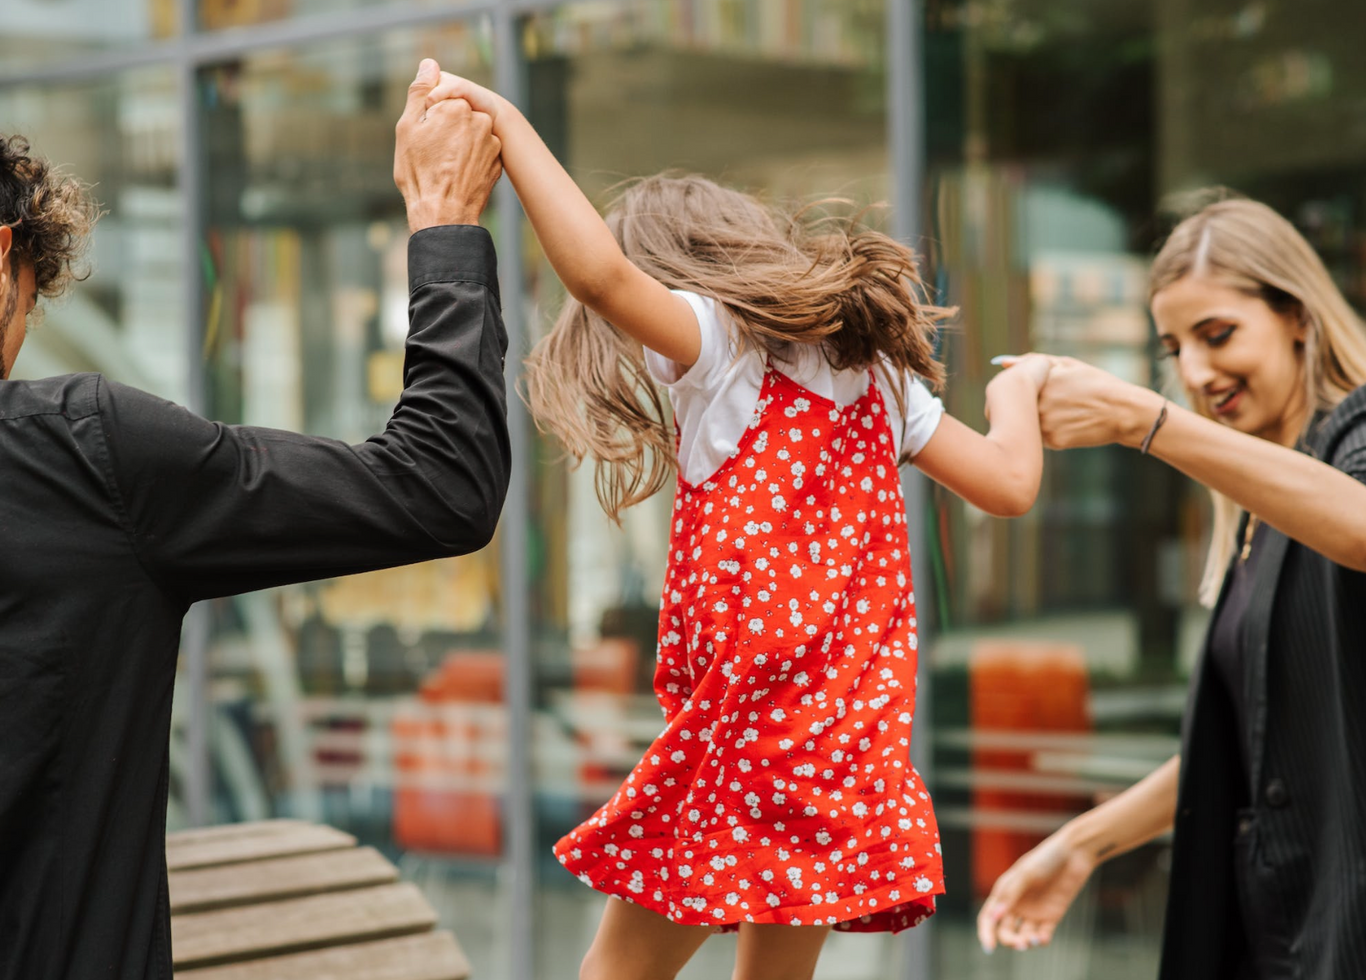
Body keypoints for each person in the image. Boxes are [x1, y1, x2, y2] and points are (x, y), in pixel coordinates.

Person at [0, 63, 507, 980]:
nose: (14, 353)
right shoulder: (80, 449)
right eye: (29, 309)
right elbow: (438, 483)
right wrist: (444, 223)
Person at [426, 73, 1052, 980]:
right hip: (839, 750)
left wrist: (507, 120)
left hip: (748, 740)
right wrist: (1019, 387)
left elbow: (598, 275)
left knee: (616, 974)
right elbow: (1011, 484)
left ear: (681, 275)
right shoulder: (880, 381)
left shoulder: (723, 349)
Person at [977, 197, 1366, 979]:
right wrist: (1082, 843)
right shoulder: (1258, 507)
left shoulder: (1352, 438)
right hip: (1277, 929)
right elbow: (1247, 741)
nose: (1194, 372)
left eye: (1217, 335)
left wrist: (1141, 420)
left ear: (1296, 316)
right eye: (1174, 349)